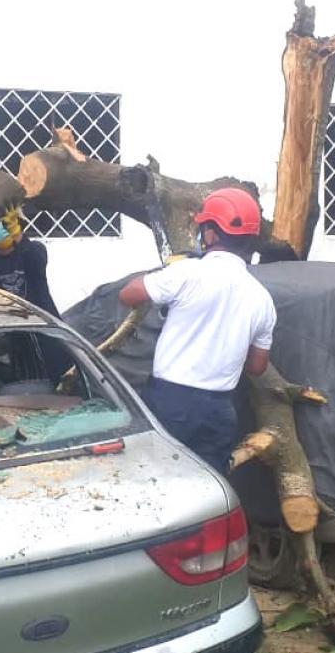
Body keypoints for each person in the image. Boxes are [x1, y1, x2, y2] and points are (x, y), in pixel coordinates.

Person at [116, 188, 277, 472]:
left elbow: (128, 295)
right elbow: (257, 366)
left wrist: (167, 272)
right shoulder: (263, 298)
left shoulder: (186, 273)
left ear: (211, 233)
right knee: (209, 489)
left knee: (158, 480)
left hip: (170, 403)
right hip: (220, 410)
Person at [0, 207, 71, 381]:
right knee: (26, 381)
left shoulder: (34, 250)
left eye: (1, 225)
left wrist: (17, 235)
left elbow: (35, 262)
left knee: (63, 378)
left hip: (48, 328)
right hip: (14, 335)